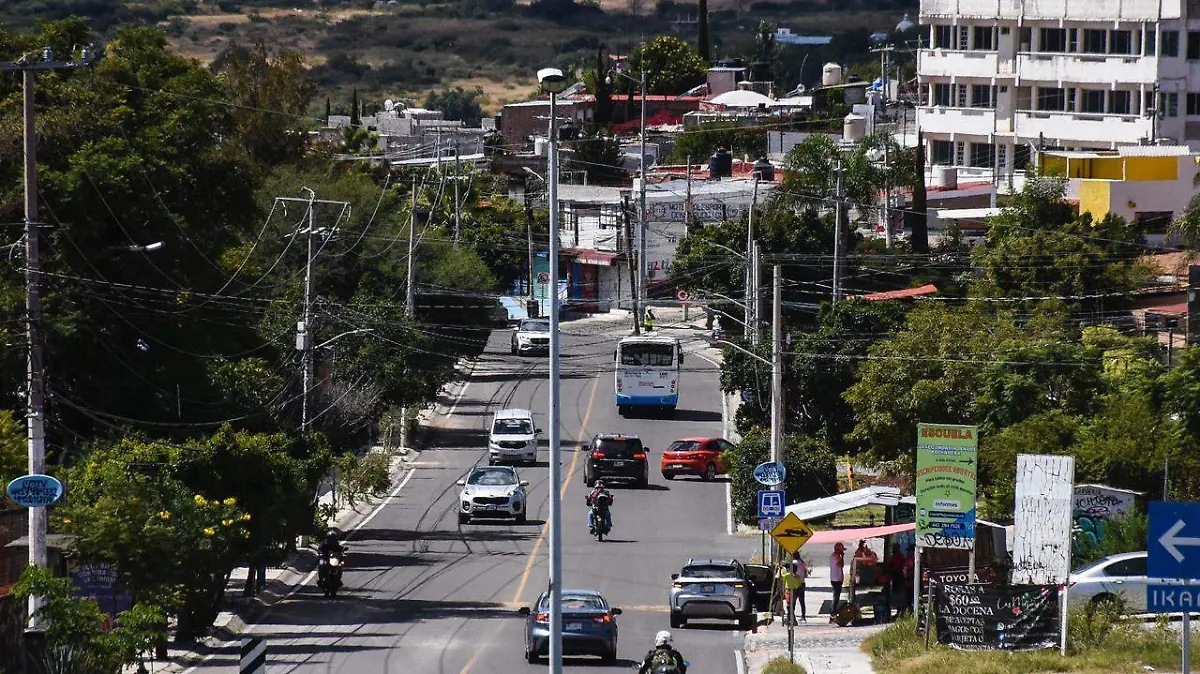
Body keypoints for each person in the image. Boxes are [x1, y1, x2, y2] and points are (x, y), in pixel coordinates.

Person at [784, 553, 808, 624]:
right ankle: (803, 616)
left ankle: (791, 618)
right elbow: (805, 572)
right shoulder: (802, 562)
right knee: (802, 601)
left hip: (793, 583)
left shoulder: (793, 563)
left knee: (791, 603)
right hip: (801, 582)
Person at [829, 542, 846, 619]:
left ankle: (833, 612)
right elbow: (841, 565)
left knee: (836, 597)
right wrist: (842, 557)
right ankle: (833, 613)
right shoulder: (835, 556)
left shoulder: (837, 556)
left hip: (837, 578)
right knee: (836, 597)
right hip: (836, 579)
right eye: (841, 550)